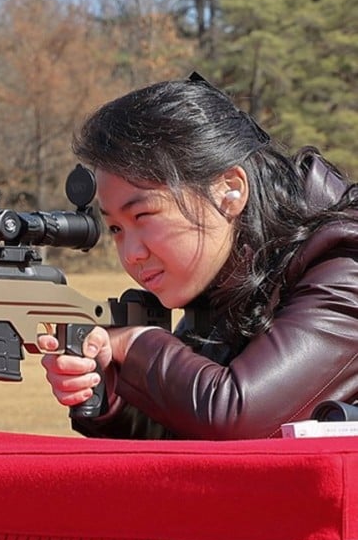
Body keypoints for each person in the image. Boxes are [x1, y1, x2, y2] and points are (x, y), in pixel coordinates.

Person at [37, 73, 358, 440]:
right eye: (115, 229)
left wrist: (134, 344)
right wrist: (110, 391)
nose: (131, 254)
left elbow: (236, 414)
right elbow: (185, 439)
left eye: (143, 216)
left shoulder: (344, 259)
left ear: (230, 191)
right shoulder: (229, 272)